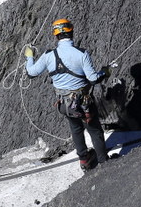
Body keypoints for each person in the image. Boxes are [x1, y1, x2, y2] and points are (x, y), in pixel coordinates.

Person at [25, 18, 111, 170]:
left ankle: (84, 160)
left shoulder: (48, 55)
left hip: (64, 104)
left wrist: (29, 56)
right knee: (94, 129)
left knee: (76, 128)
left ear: (56, 36)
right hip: (84, 103)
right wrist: (105, 72)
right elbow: (93, 79)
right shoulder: (81, 53)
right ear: (71, 32)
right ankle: (104, 161)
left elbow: (31, 73)